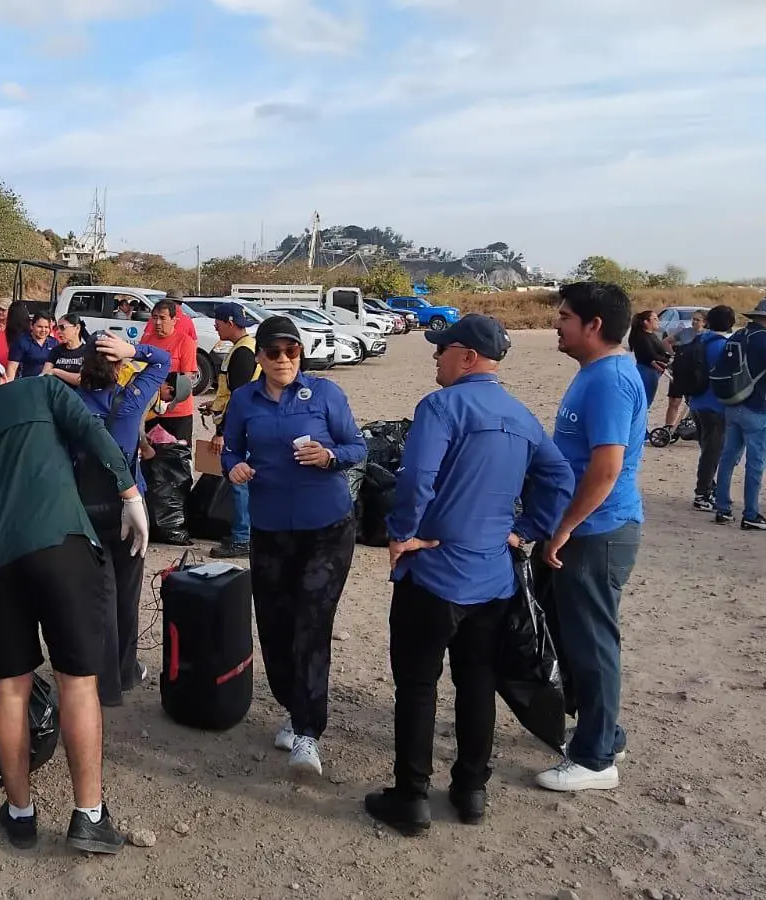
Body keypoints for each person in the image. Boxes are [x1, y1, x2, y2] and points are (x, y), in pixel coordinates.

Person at [364, 315, 574, 835]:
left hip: (433, 573)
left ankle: (411, 797)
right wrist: (525, 530)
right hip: (492, 579)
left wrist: (401, 532)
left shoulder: (440, 406)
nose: (435, 356)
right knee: (476, 683)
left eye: (442, 349)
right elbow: (560, 477)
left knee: (416, 686)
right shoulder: (522, 416)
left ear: (468, 357)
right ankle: (470, 789)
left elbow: (416, 477)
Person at [0, 355, 149, 855]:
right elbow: (94, 434)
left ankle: (19, 813)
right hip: (62, 546)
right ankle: (89, 816)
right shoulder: (40, 390)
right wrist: (130, 493)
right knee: (76, 684)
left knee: (8, 692)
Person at [219, 315, 366, 778]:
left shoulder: (324, 394)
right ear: (259, 356)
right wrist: (233, 468)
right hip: (270, 528)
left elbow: (358, 447)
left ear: (300, 354)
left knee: (311, 620)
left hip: (327, 526)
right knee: (276, 624)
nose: (284, 360)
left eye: (292, 351)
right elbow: (229, 449)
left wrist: (329, 456)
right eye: (274, 352)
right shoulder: (245, 399)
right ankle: (293, 704)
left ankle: (308, 731)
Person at [537, 281, 647, 793]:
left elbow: (605, 469)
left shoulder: (609, 380)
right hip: (586, 529)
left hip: (597, 531)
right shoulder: (595, 374)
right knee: (577, 640)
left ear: (593, 325)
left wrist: (564, 528)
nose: (556, 324)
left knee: (593, 644)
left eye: (564, 316)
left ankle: (596, 759)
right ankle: (606, 732)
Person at [75, 333, 170, 705]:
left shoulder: (70, 404)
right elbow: (162, 361)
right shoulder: (130, 402)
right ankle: (125, 670)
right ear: (119, 366)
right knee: (127, 593)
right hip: (129, 508)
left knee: (99, 595)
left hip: (84, 508)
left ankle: (103, 677)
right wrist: (136, 350)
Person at [712, 298, 766, 532]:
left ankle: (722, 508)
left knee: (728, 458)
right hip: (758, 406)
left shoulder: (738, 335)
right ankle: (750, 514)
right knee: (755, 464)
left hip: (732, 404)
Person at [204, 302, 260, 558]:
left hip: (243, 430)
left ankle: (242, 539)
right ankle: (245, 534)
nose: (214, 325)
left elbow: (239, 397)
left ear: (229, 321)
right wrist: (214, 404)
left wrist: (222, 432)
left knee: (240, 482)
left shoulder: (243, 352)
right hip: (246, 425)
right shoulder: (243, 348)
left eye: (217, 320)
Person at [685, 306, 737, 512]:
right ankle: (702, 493)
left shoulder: (700, 340)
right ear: (731, 323)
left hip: (696, 401)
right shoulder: (723, 346)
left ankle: (709, 487)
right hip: (714, 405)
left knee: (707, 449)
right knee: (712, 452)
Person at [141, 299, 198, 443]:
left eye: (162, 318)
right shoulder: (146, 341)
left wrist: (168, 400)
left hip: (176, 414)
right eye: (155, 318)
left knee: (176, 458)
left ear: (174, 319)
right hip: (150, 412)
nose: (158, 322)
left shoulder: (185, 342)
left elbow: (186, 380)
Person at [659, 309, 708, 435]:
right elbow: (665, 342)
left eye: (697, 320)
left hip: (695, 373)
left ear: (704, 322)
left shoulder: (707, 336)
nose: (694, 322)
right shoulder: (685, 332)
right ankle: (668, 427)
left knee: (693, 402)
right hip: (680, 370)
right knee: (674, 400)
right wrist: (674, 354)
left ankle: (693, 426)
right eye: (693, 319)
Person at [628, 310, 670, 411]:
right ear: (646, 322)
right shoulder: (642, 337)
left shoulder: (651, 335)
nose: (658, 321)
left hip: (652, 371)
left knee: (646, 402)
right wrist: (669, 360)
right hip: (646, 371)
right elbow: (651, 355)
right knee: (644, 403)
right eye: (654, 319)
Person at [7, 311, 58, 380]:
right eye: (40, 327)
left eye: (46, 327)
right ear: (32, 325)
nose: (43, 330)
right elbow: (12, 368)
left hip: (47, 384)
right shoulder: (21, 342)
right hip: (26, 384)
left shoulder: (54, 342)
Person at [46, 314, 90, 385]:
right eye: (57, 328)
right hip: (57, 393)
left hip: (77, 395)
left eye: (62, 327)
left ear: (77, 328)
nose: (58, 331)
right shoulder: (55, 351)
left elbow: (82, 380)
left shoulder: (88, 352)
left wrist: (56, 371)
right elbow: (45, 373)